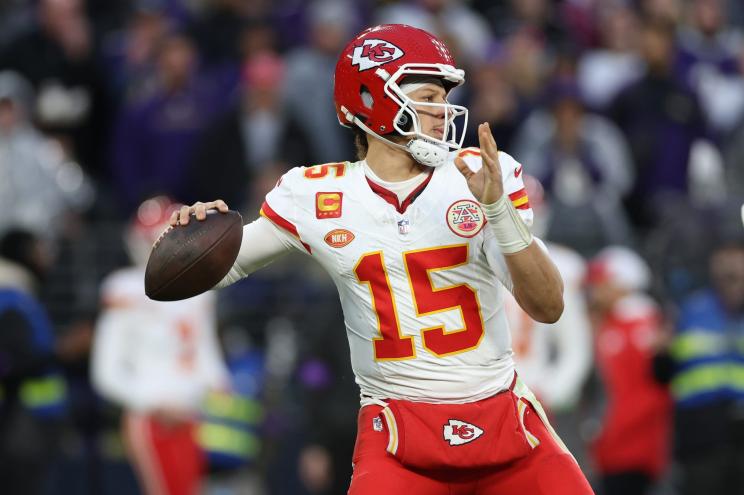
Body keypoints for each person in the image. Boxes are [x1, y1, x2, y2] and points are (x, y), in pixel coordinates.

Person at [171, 24, 593, 494]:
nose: (442, 111)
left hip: (504, 420)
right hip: (399, 438)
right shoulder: (317, 194)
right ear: (372, 100)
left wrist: (497, 210)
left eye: (444, 95)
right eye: (429, 95)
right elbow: (204, 270)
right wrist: (190, 234)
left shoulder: (479, 175)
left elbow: (548, 305)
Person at [91, 197, 231, 495]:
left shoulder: (200, 289)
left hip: (197, 415)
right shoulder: (125, 289)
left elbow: (204, 349)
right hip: (155, 420)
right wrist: (152, 403)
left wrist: (219, 390)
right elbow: (106, 370)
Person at [585, 246, 672, 495]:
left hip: (631, 446)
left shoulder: (636, 322)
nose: (595, 289)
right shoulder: (617, 322)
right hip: (615, 443)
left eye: (602, 282)